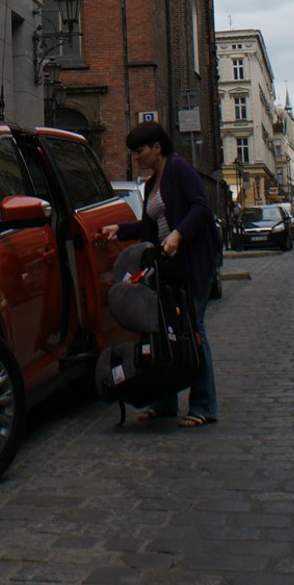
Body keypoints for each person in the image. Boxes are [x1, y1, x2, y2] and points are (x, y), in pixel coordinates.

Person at [118, 119, 221, 427]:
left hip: (194, 263)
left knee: (194, 330)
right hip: (168, 269)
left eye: (139, 151)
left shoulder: (179, 170)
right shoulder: (150, 184)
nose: (136, 157)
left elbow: (201, 208)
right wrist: (118, 230)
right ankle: (164, 403)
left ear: (157, 148)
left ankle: (204, 405)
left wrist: (178, 235)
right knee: (165, 331)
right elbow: (147, 227)